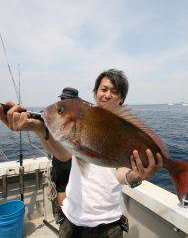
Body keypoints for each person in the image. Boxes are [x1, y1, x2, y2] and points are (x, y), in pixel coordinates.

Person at [0, 69, 163, 238]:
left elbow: (121, 173)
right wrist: (38, 127)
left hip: (109, 224)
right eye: (104, 89)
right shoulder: (83, 118)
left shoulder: (123, 129)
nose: (107, 95)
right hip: (71, 219)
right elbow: (64, 154)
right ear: (95, 92)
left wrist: (136, 176)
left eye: (114, 92)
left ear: (121, 99)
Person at [51, 87, 79, 224]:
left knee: (62, 188)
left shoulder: (55, 115)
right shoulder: (79, 116)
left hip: (61, 159)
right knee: (70, 188)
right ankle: (69, 218)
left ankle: (65, 219)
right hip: (74, 159)